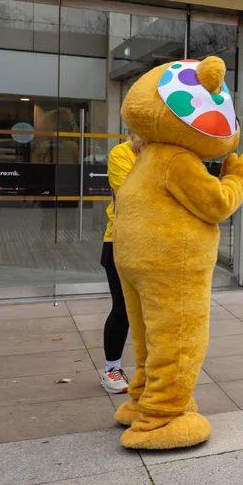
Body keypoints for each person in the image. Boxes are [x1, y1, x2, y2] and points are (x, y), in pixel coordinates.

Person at [99, 134, 143, 393]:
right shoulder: (122, 153)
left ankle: (151, 370)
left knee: (152, 313)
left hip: (155, 244)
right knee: (123, 308)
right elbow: (130, 195)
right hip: (120, 241)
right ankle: (111, 369)